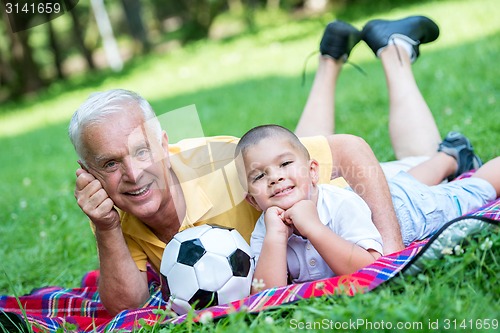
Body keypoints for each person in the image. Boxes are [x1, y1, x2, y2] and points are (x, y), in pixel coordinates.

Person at [70, 15, 448, 314]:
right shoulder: (109, 202)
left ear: (164, 144)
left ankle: (394, 51)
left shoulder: (217, 164)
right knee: (284, 158)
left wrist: (392, 258)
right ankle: (331, 57)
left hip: (337, 208)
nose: (134, 174)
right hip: (289, 197)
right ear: (89, 172)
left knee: (424, 163)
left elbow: (349, 150)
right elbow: (128, 308)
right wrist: (105, 228)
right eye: (111, 163)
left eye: (142, 152)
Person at [234, 124, 499, 292]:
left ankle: (465, 164)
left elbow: (369, 268)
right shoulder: (267, 230)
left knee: (472, 190)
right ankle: (451, 155)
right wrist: (276, 237)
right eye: (259, 176)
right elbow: (265, 294)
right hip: (381, 195)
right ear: (252, 201)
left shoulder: (340, 207)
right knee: (403, 182)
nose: (275, 177)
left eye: (285, 164)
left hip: (410, 211)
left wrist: (312, 227)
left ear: (313, 172)